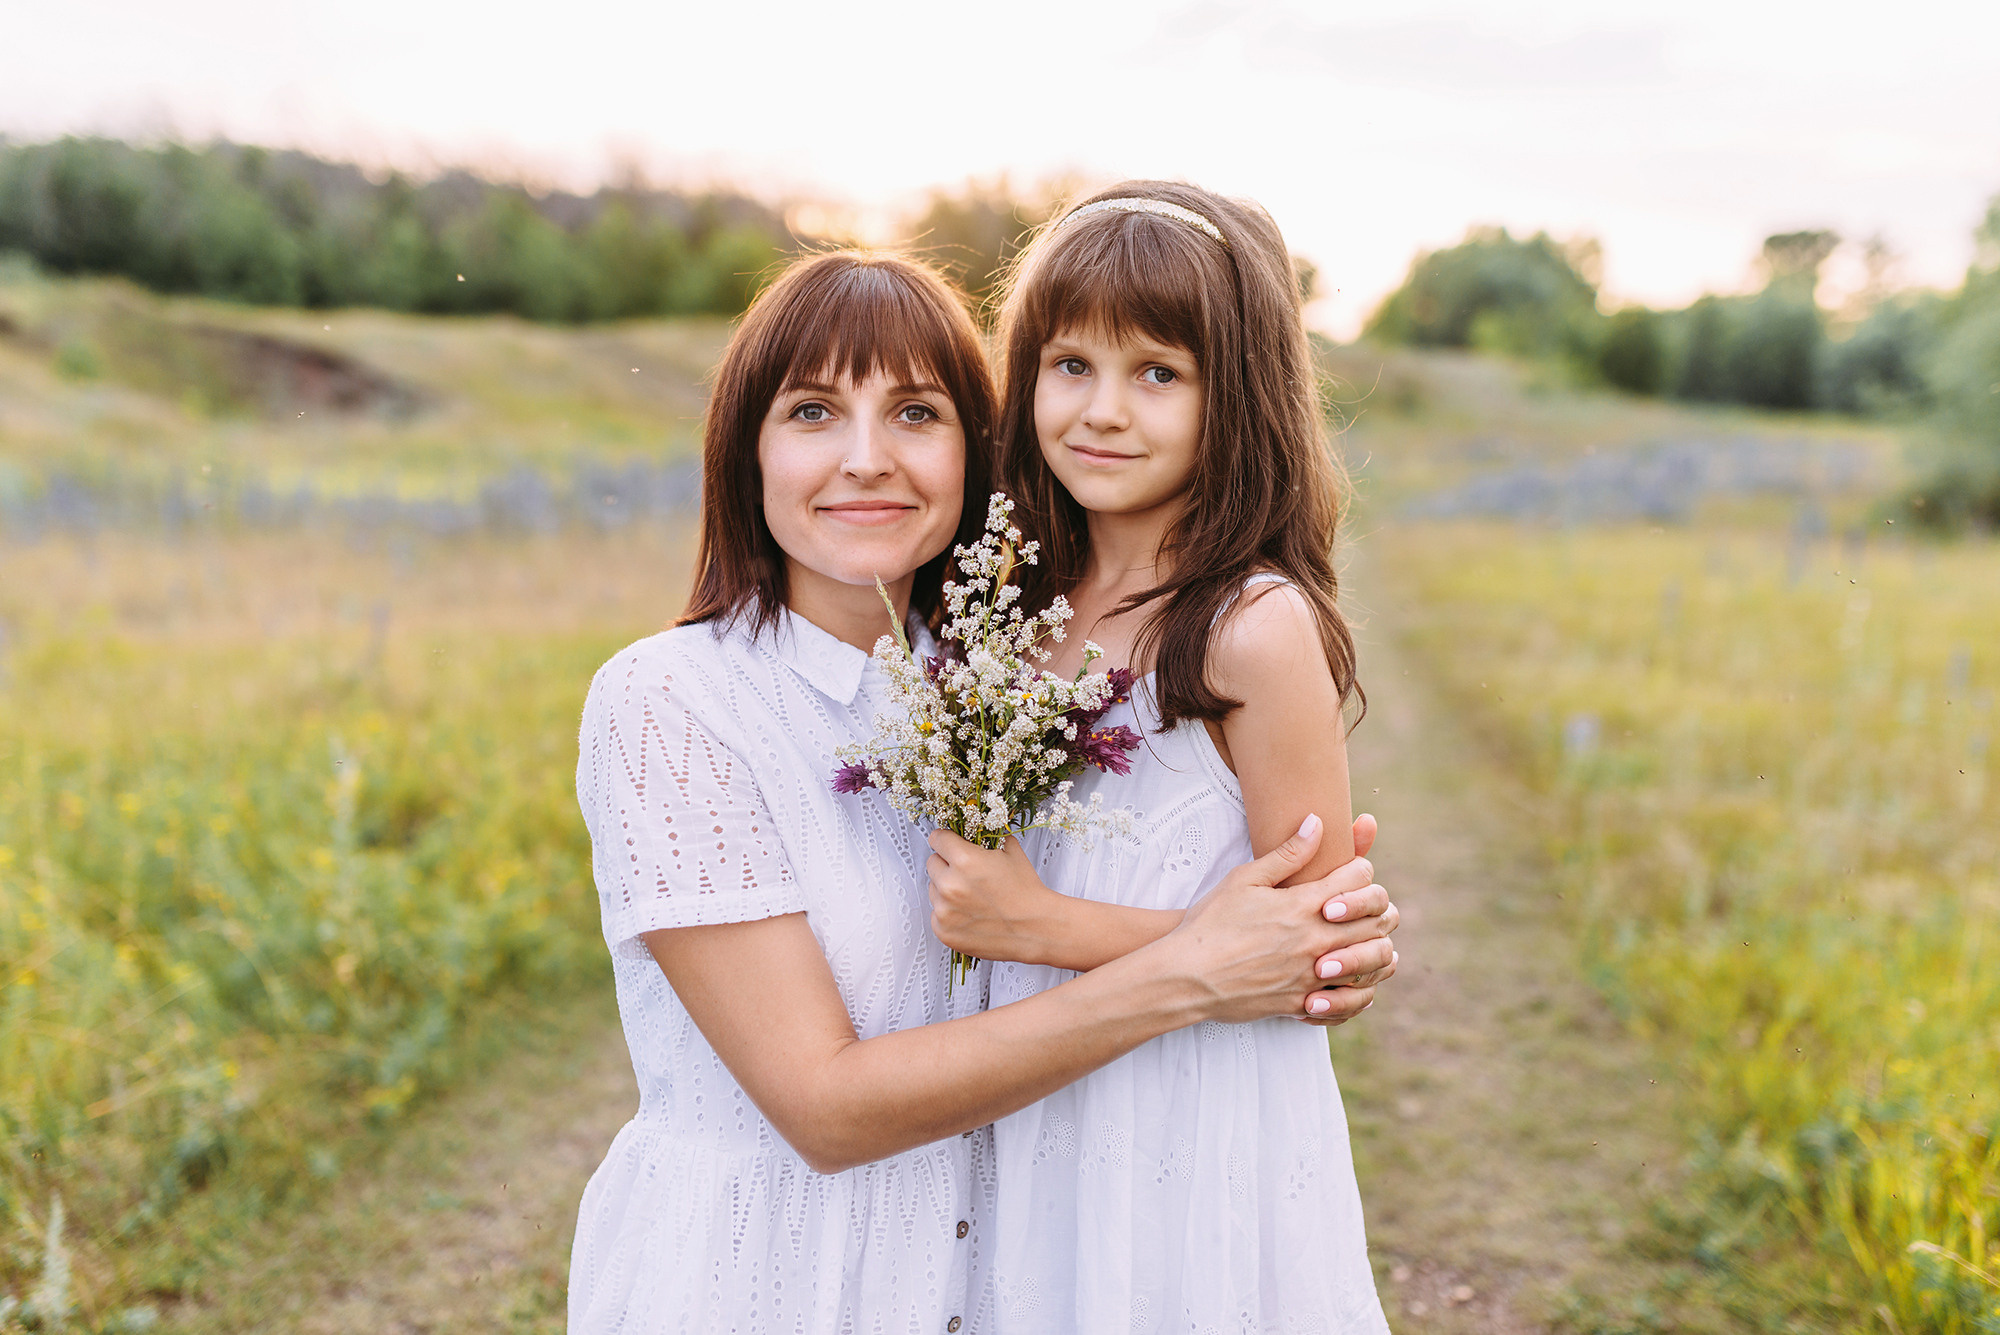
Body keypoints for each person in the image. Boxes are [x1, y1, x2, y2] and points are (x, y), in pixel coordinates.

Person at [566, 249, 1400, 1333]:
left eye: (916, 413)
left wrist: (1273, 949)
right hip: (763, 1286)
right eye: (812, 412)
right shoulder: (673, 702)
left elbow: (1133, 909)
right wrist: (1193, 968)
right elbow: (822, 1108)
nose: (866, 460)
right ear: (744, 452)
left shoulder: (996, 674)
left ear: (976, 451)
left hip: (999, 1284)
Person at [926, 184, 1393, 1330]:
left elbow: (1313, 961)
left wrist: (1042, 927)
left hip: (1186, 1113)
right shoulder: (1006, 604)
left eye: (1156, 373)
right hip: (1028, 1083)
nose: (1102, 411)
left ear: (1236, 394)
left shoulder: (1249, 625)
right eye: (1069, 364)